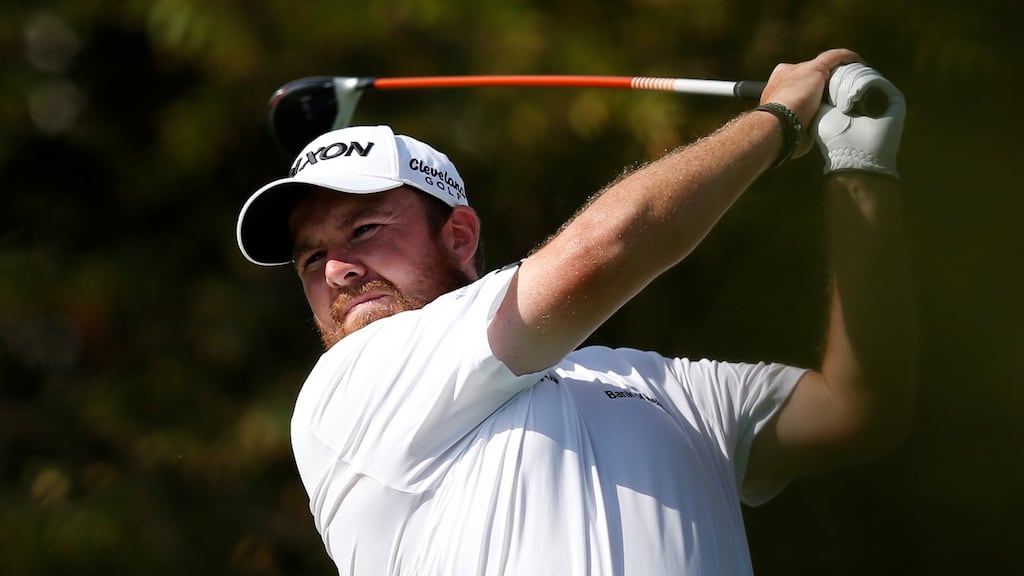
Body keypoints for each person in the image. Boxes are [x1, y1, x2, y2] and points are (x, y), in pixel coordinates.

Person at [235, 48, 916, 575]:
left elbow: (858, 408)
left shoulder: (662, 384)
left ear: (460, 237)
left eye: (363, 231)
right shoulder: (350, 386)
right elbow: (605, 249)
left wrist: (860, 168)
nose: (337, 270)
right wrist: (778, 121)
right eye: (310, 259)